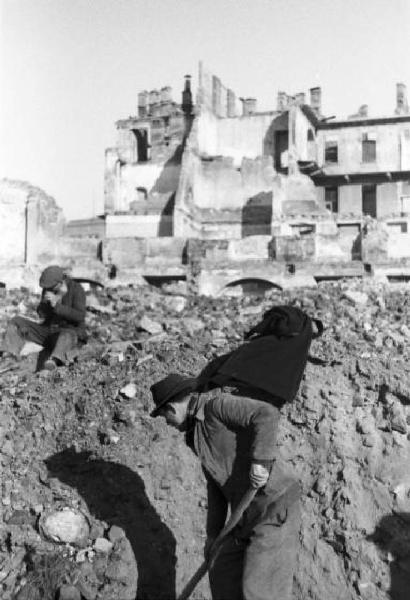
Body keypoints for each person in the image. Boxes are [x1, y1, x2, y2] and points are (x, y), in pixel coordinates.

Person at [150, 373, 301, 600]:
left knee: (259, 591)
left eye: (164, 417)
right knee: (221, 566)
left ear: (171, 408)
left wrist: (261, 461)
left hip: (273, 506)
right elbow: (216, 487)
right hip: (245, 517)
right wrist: (213, 537)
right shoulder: (195, 437)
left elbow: (266, 413)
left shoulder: (217, 407)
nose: (168, 423)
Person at [1, 265, 86, 370]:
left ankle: (54, 360)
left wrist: (57, 305)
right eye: (47, 288)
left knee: (66, 335)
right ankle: (10, 355)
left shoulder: (76, 289)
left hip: (69, 332)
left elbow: (80, 316)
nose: (48, 289)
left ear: (60, 282)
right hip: (48, 332)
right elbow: (42, 314)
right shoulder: (48, 289)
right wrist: (45, 305)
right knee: (17, 321)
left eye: (52, 287)